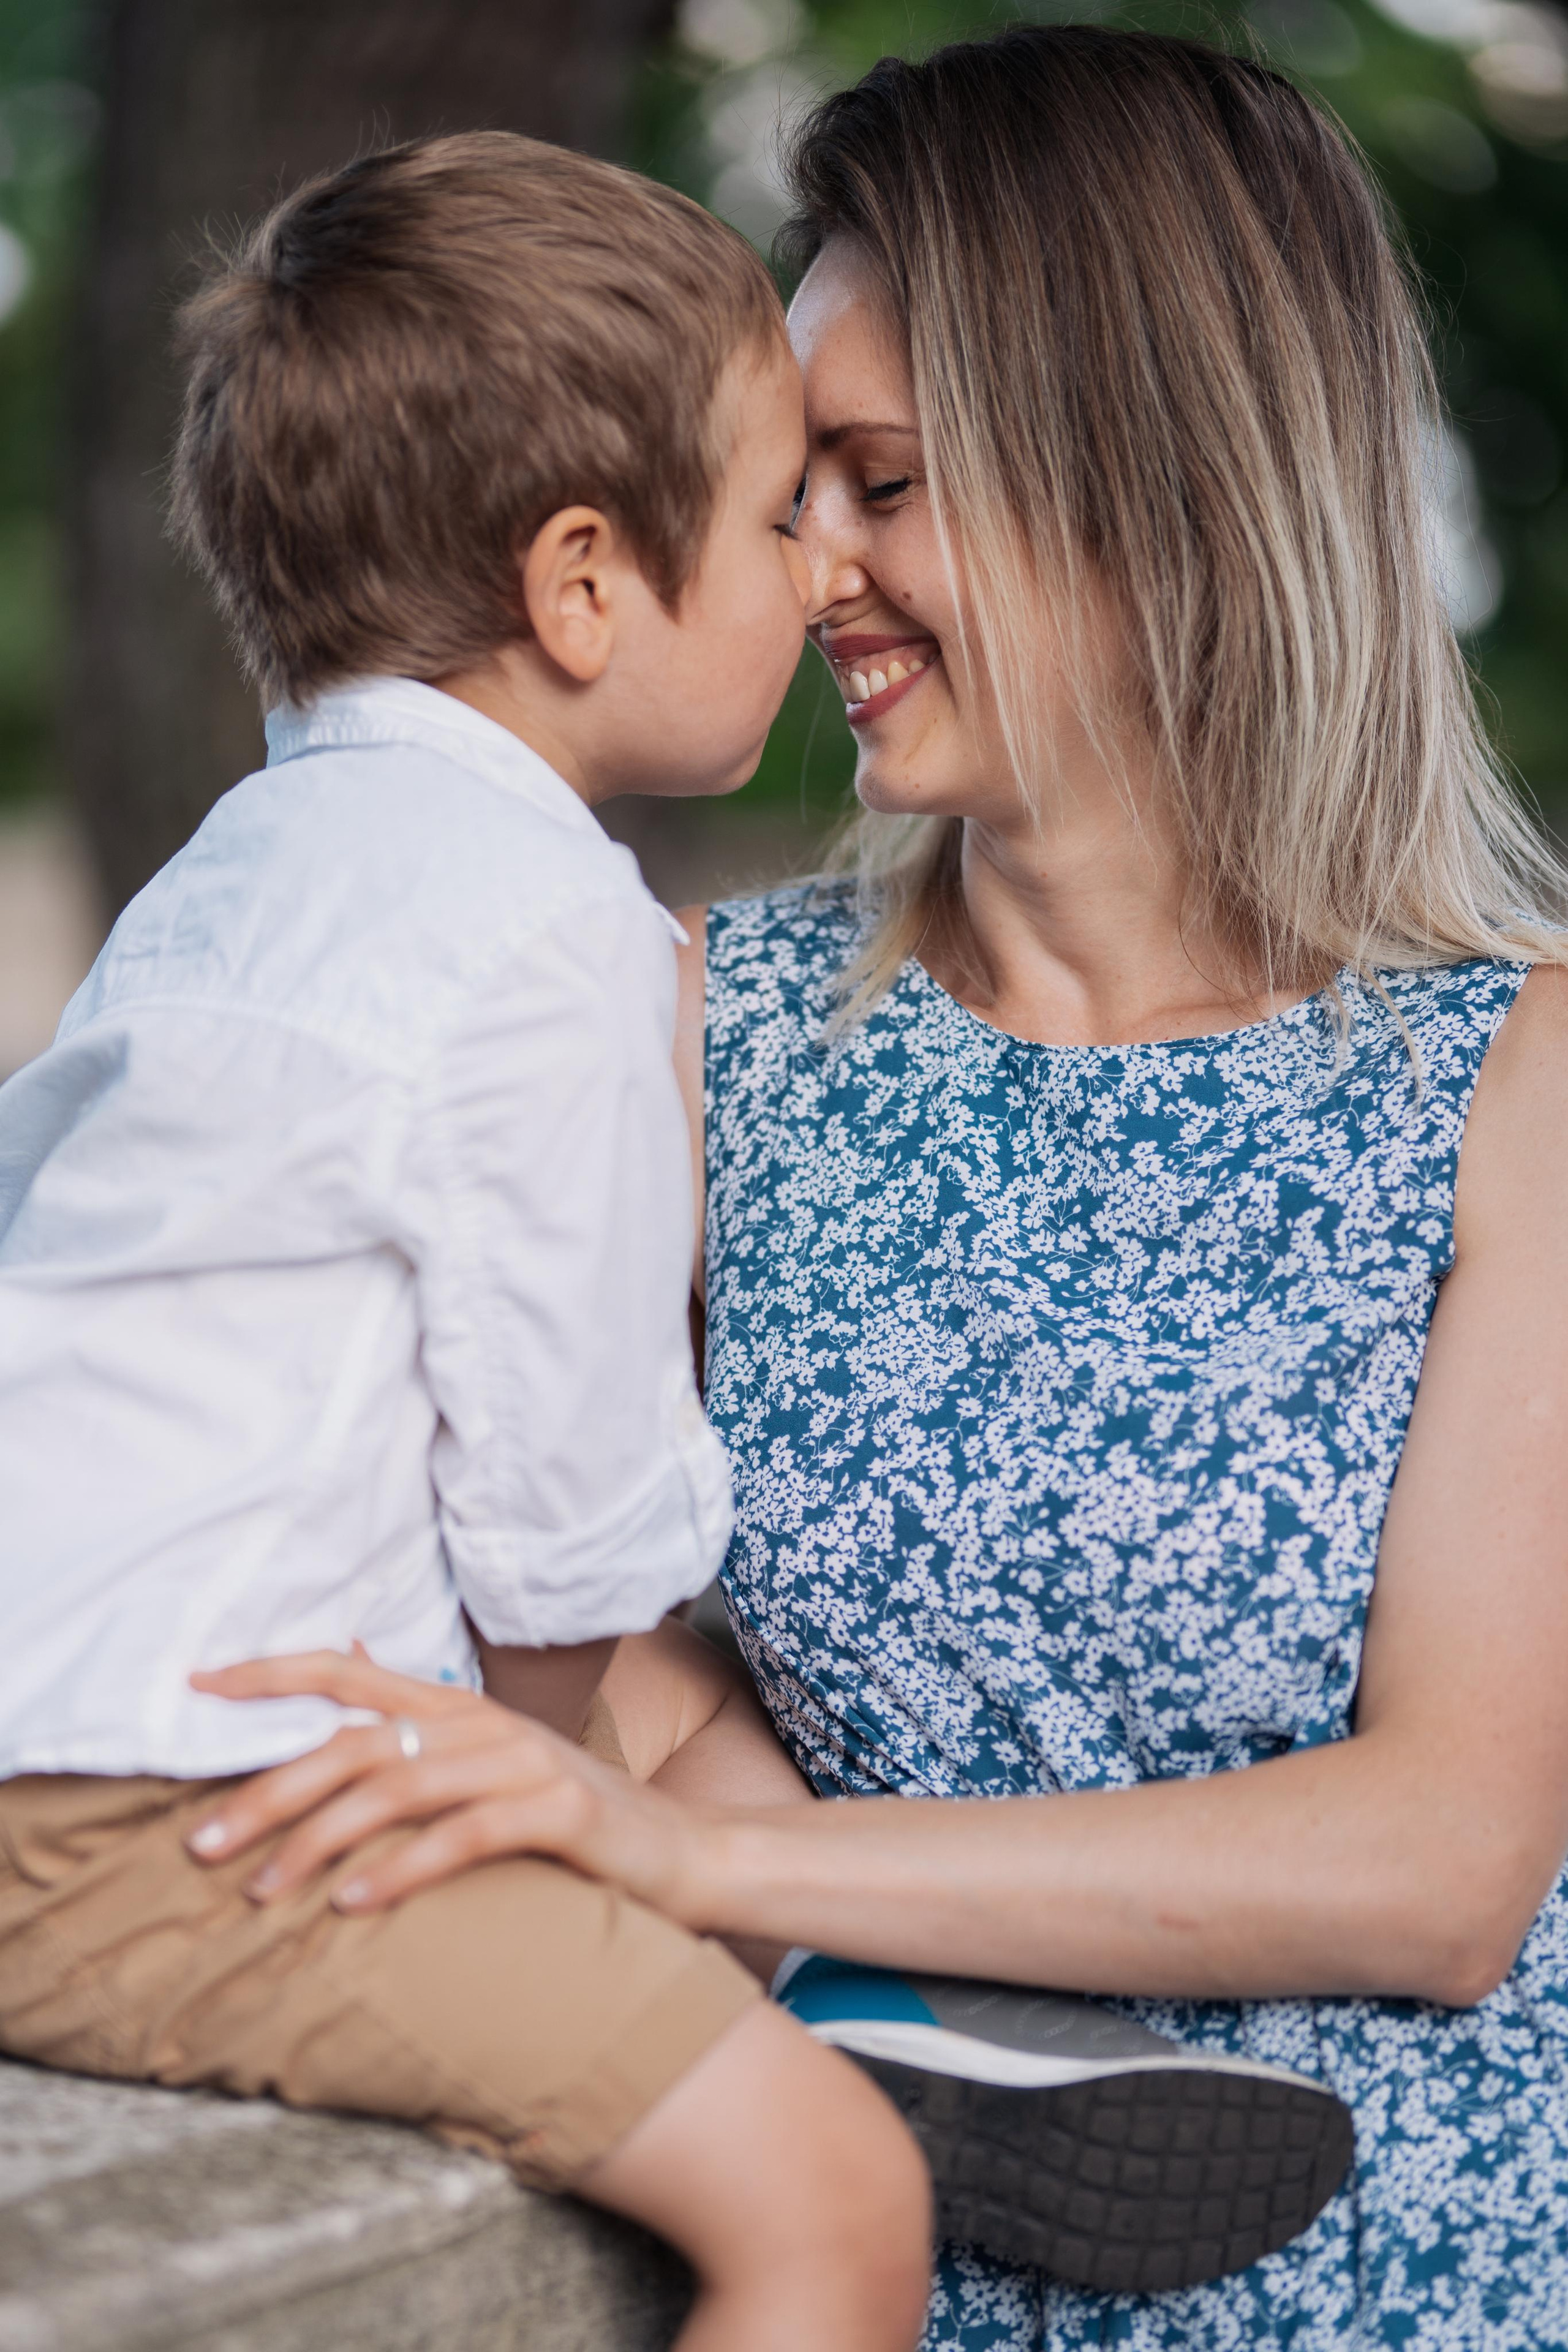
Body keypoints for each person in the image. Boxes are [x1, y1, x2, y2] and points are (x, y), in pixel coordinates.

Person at [164, 28, 1568, 2352]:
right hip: (861, 2272)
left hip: (1412, 2281)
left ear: (1160, 473)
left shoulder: (1515, 1081)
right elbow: (539, 1598)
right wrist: (669, 1768)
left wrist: (715, 1854)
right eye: (786, 489)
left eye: (878, 482)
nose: (805, 567)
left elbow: (1439, 1863)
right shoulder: (689, 1027)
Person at [0, 132, 935, 2352]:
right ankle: (856, 2064)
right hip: (170, 1823)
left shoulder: (237, 873)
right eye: (779, 510)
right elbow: (565, 1519)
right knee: (836, 2205)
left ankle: (817, 2017)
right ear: (584, 582)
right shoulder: (542, 936)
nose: (824, 567)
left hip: (67, 1734)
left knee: (690, 1800)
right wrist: (532, 1789)